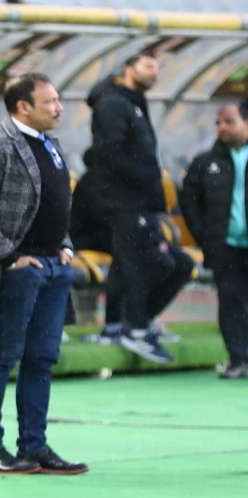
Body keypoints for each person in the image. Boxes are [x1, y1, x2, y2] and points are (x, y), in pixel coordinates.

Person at [0, 74, 88, 475]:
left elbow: (58, 203)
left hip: (53, 268)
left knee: (41, 360)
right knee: (0, 359)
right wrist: (8, 256)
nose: (58, 108)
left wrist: (66, 244)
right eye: (50, 101)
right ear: (23, 106)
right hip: (17, 271)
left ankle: (34, 447)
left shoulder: (50, 144)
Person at [76, 54, 193, 363]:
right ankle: (135, 329)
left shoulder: (134, 101)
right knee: (139, 262)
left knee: (132, 262)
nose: (155, 72)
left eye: (157, 66)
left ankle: (118, 326)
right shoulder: (113, 104)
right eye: (148, 66)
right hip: (124, 201)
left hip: (137, 200)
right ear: (128, 69)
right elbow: (110, 153)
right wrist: (145, 176)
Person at [181, 100, 248, 378]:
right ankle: (238, 359)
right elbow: (190, 202)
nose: (221, 127)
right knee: (230, 303)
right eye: (218, 123)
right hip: (225, 248)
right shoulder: (205, 162)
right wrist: (206, 238)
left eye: (228, 122)